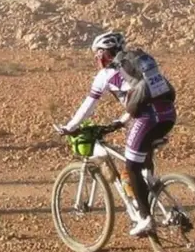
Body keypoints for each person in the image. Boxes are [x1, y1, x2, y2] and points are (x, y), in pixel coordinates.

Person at [57, 32, 177, 237]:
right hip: (168, 115)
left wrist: (70, 127)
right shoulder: (137, 66)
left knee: (130, 167)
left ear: (103, 53)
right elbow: (141, 95)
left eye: (97, 54)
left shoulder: (107, 74)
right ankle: (159, 204)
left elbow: (89, 105)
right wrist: (120, 122)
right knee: (142, 166)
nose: (96, 59)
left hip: (147, 119)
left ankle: (146, 219)